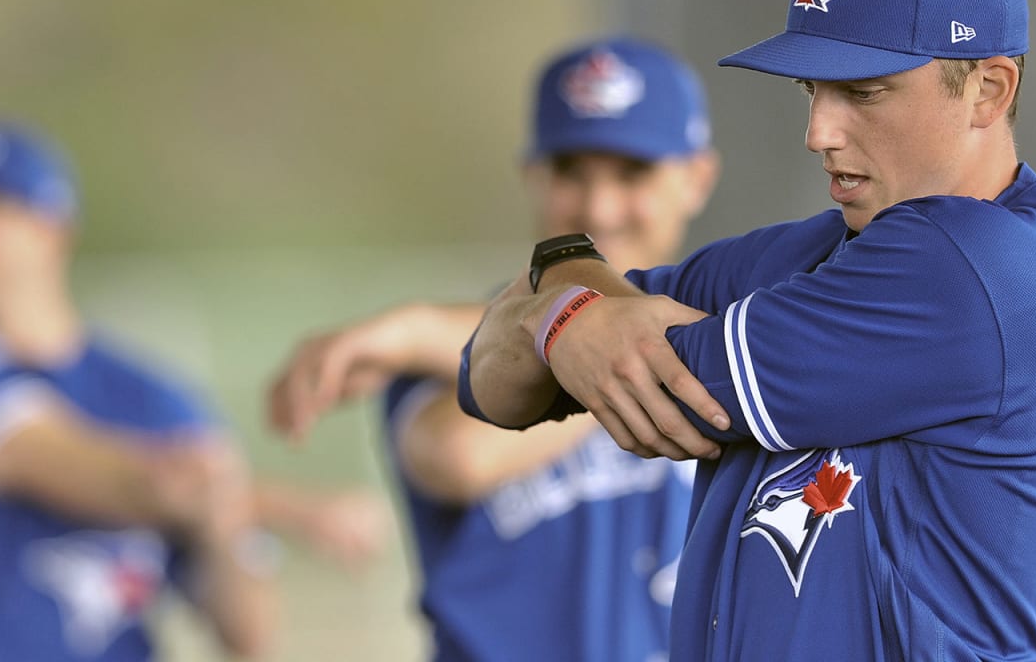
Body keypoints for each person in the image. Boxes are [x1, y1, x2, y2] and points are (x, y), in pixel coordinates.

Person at [459, 0, 1036, 661]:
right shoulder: (814, 253)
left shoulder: (984, 272)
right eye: (812, 89)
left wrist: (563, 320)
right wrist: (564, 305)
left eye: (863, 91)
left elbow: (636, 372)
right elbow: (491, 379)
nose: (819, 133)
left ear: (989, 90)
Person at [0, 119, 383, 662]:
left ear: (53, 230)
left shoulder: (150, 396)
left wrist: (218, 520)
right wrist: (301, 509)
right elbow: (84, 470)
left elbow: (248, 634)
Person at [267, 37, 720, 661]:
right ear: (532, 176)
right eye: (571, 173)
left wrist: (418, 326)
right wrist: (593, 343)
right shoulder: (477, 353)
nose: (599, 206)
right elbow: (457, 456)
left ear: (696, 178)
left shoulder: (737, 320)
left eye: (632, 172)